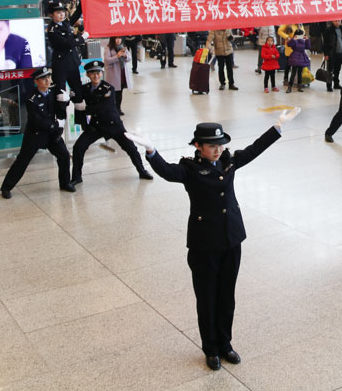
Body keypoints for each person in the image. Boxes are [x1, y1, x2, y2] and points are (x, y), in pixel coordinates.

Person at [125, 109, 301, 371]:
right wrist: (151, 150)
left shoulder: (228, 161)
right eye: (212, 146)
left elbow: (253, 151)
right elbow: (167, 172)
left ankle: (225, 344)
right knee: (207, 298)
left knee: (227, 297)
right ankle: (211, 349)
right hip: (204, 244)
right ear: (198, 146)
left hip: (231, 239)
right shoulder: (190, 168)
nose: (218, 150)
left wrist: (277, 127)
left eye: (220, 145)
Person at [70, 61, 153, 184]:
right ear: (87, 75)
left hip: (113, 125)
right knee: (78, 147)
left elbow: (104, 107)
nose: (96, 76)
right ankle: (76, 177)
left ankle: (142, 171)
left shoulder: (109, 89)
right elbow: (76, 99)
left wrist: (86, 109)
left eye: (98, 73)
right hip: (96, 126)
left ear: (102, 73)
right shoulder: (85, 88)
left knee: (130, 148)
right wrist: (71, 96)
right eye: (92, 73)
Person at [0, 67, 74, 199]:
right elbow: (37, 120)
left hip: (52, 134)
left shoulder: (53, 91)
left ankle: (65, 183)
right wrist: (56, 124)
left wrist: (66, 100)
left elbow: (61, 105)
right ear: (36, 81)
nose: (47, 80)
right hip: (35, 134)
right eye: (43, 79)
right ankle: (6, 187)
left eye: (48, 77)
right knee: (22, 161)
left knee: (64, 155)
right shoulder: (31, 98)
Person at [46, 2, 86, 99]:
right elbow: (67, 44)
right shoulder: (52, 29)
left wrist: (82, 0)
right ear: (51, 14)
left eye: (63, 12)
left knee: (77, 91)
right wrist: (81, 38)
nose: (61, 14)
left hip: (72, 62)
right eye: (58, 12)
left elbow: (76, 14)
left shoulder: (65, 22)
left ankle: (79, 106)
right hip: (61, 65)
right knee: (61, 94)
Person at [103, 37, 132, 115]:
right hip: (113, 73)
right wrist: (117, 56)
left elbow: (129, 58)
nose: (118, 40)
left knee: (120, 92)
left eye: (120, 38)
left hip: (122, 72)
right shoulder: (108, 48)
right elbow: (107, 60)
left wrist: (125, 56)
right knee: (113, 93)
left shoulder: (123, 47)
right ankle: (113, 109)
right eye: (116, 38)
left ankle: (118, 108)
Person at [321, 20, 342, 92]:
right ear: (332, 21)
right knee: (330, 69)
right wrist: (326, 54)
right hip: (331, 53)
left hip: (340, 52)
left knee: (338, 69)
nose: (337, 22)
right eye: (336, 21)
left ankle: (336, 83)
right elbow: (325, 43)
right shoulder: (328, 30)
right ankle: (329, 85)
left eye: (339, 21)